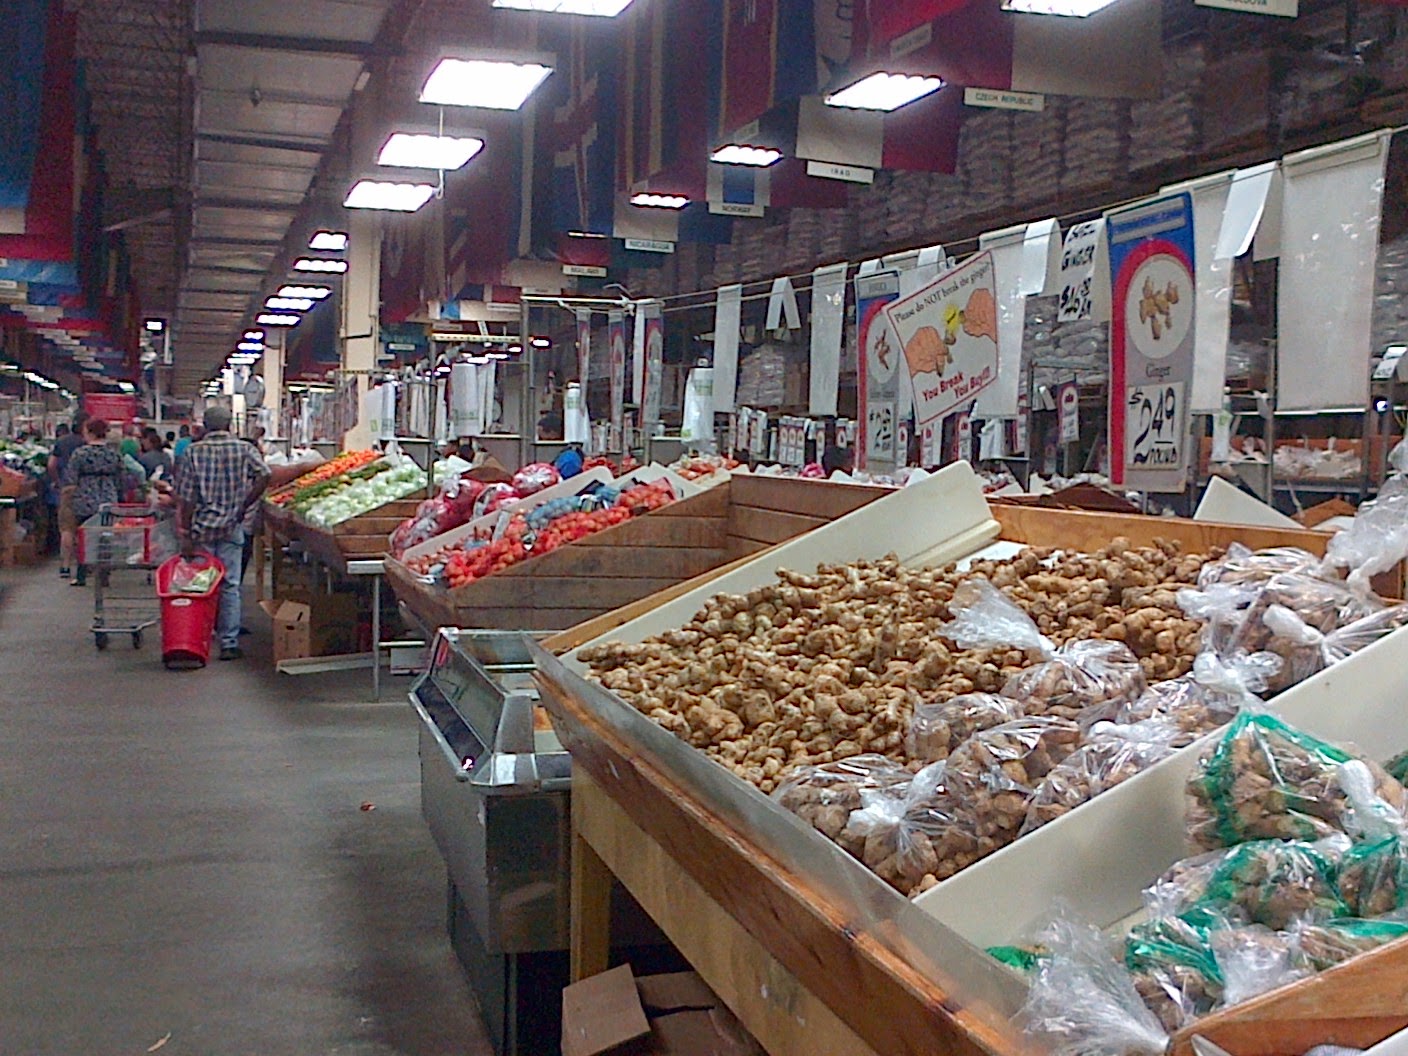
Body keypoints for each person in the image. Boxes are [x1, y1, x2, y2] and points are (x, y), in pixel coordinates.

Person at [174, 405, 269, 661]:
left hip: (202, 528)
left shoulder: (193, 452)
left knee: (202, 584)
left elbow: (185, 497)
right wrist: (244, 506)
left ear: (205, 425)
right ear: (230, 425)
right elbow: (265, 475)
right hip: (231, 526)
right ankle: (229, 643)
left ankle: (199, 636)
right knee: (230, 585)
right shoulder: (244, 449)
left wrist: (185, 532)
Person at [63, 418, 134, 586]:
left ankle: (81, 575)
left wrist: (68, 497)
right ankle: (104, 575)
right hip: (108, 499)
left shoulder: (80, 454)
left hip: (84, 498)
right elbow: (123, 479)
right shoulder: (113, 454)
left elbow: (71, 479)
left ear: (90, 432)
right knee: (106, 537)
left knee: (84, 537)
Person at [48, 411, 88, 578]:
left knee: (67, 529)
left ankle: (65, 566)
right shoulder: (88, 445)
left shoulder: (61, 442)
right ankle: (84, 565)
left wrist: (58, 481)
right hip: (87, 491)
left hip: (67, 489)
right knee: (86, 529)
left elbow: (51, 464)